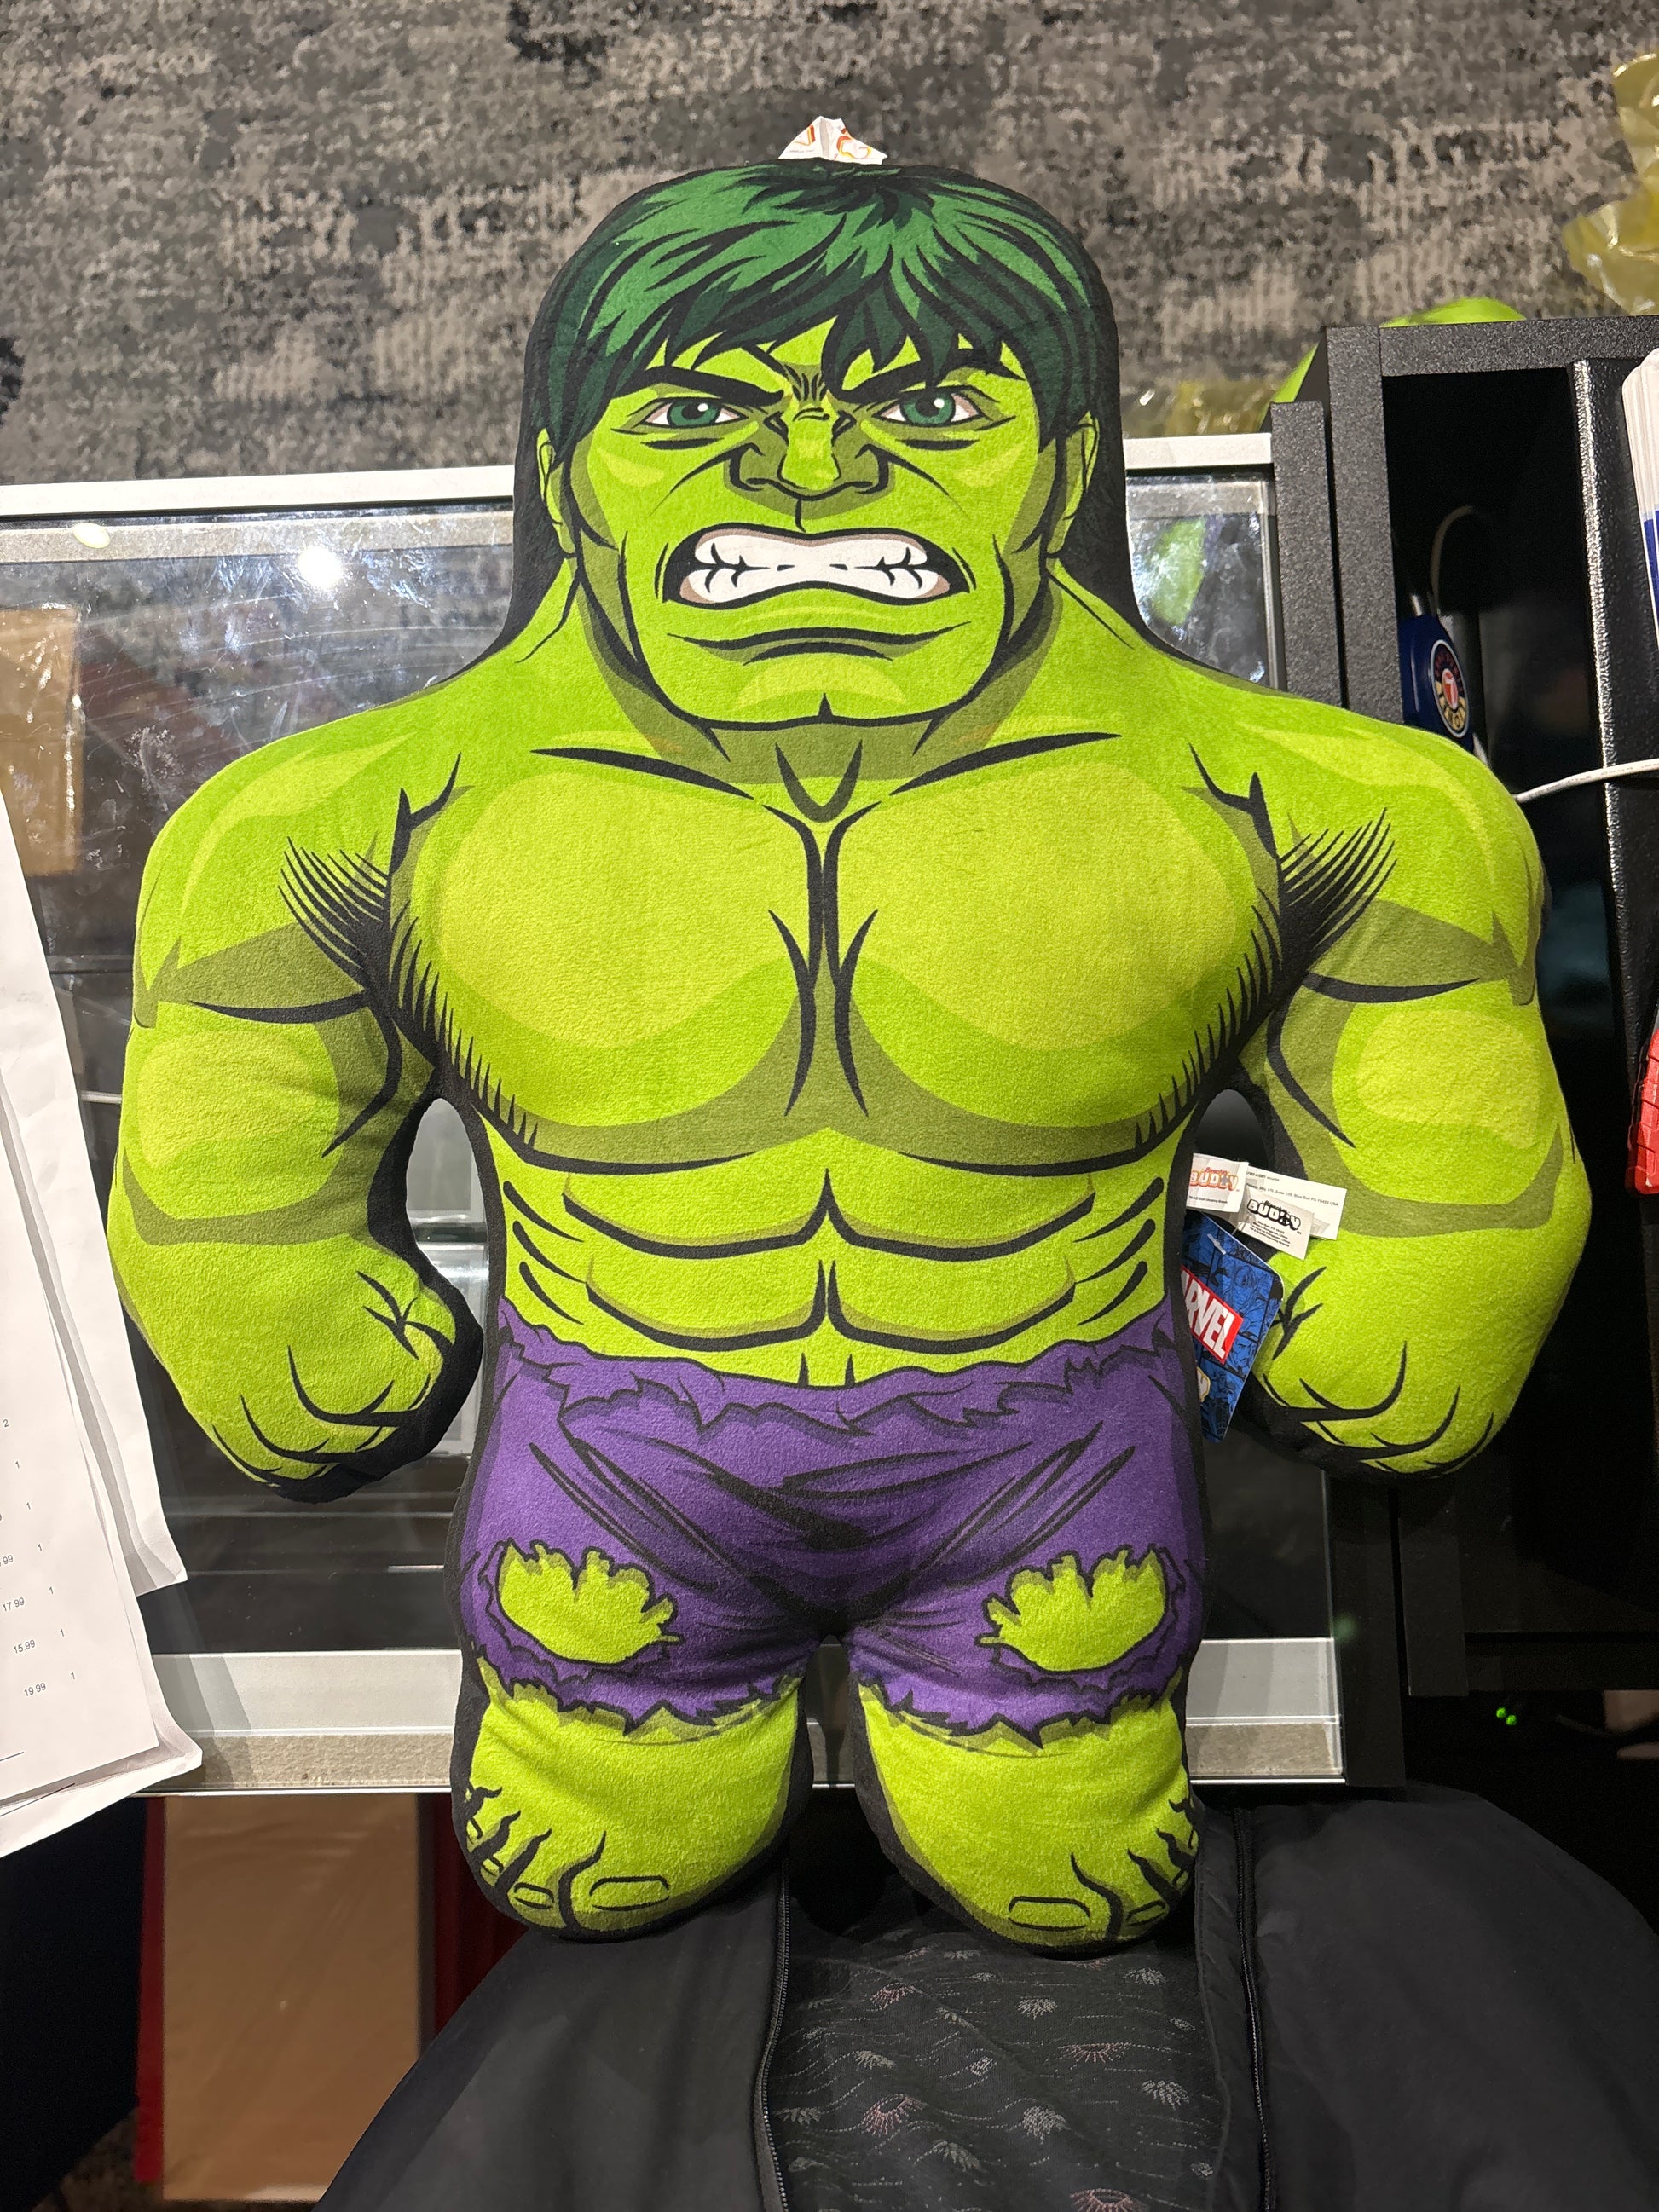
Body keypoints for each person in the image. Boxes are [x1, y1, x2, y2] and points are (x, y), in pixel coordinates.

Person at [111, 159, 1586, 1952]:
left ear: (1062, 468)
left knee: (1052, 1830)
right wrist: (263, 1276)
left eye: (935, 408)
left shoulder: (1297, 801)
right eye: (693, 414)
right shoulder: (357, 812)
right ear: (568, 479)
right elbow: (238, 1075)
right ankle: (623, 1720)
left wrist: (1441, 1254)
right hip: (612, 1481)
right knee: (610, 1818)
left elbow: (1435, 1035)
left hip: (1051, 1472)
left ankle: (1020, 1727)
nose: (811, 467)